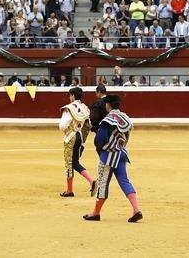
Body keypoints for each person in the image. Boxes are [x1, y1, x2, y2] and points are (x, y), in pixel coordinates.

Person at [83, 94, 142, 223]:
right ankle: (136, 210)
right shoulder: (125, 117)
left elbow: (100, 140)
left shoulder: (107, 120)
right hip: (121, 153)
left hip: (109, 156)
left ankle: (95, 213)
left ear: (108, 105)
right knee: (124, 181)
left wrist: (102, 146)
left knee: (103, 184)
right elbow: (127, 135)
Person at [59, 87, 95, 197]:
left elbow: (63, 125)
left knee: (69, 163)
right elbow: (87, 126)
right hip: (79, 135)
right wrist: (83, 140)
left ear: (73, 96)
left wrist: (64, 130)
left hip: (70, 137)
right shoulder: (85, 107)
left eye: (70, 95)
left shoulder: (69, 108)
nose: (69, 97)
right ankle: (91, 181)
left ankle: (69, 190)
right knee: (75, 163)